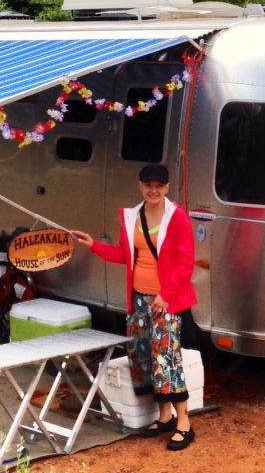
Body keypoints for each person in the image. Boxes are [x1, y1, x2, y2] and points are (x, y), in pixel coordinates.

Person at [71, 163, 197, 451]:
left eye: (159, 185)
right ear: (140, 186)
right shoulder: (132, 217)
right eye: (148, 185)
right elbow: (125, 255)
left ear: (167, 187)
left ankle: (184, 423)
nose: (153, 190)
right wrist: (93, 245)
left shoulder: (176, 217)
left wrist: (166, 294)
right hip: (139, 299)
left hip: (165, 301)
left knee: (167, 359)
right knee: (144, 358)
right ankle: (164, 417)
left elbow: (186, 262)